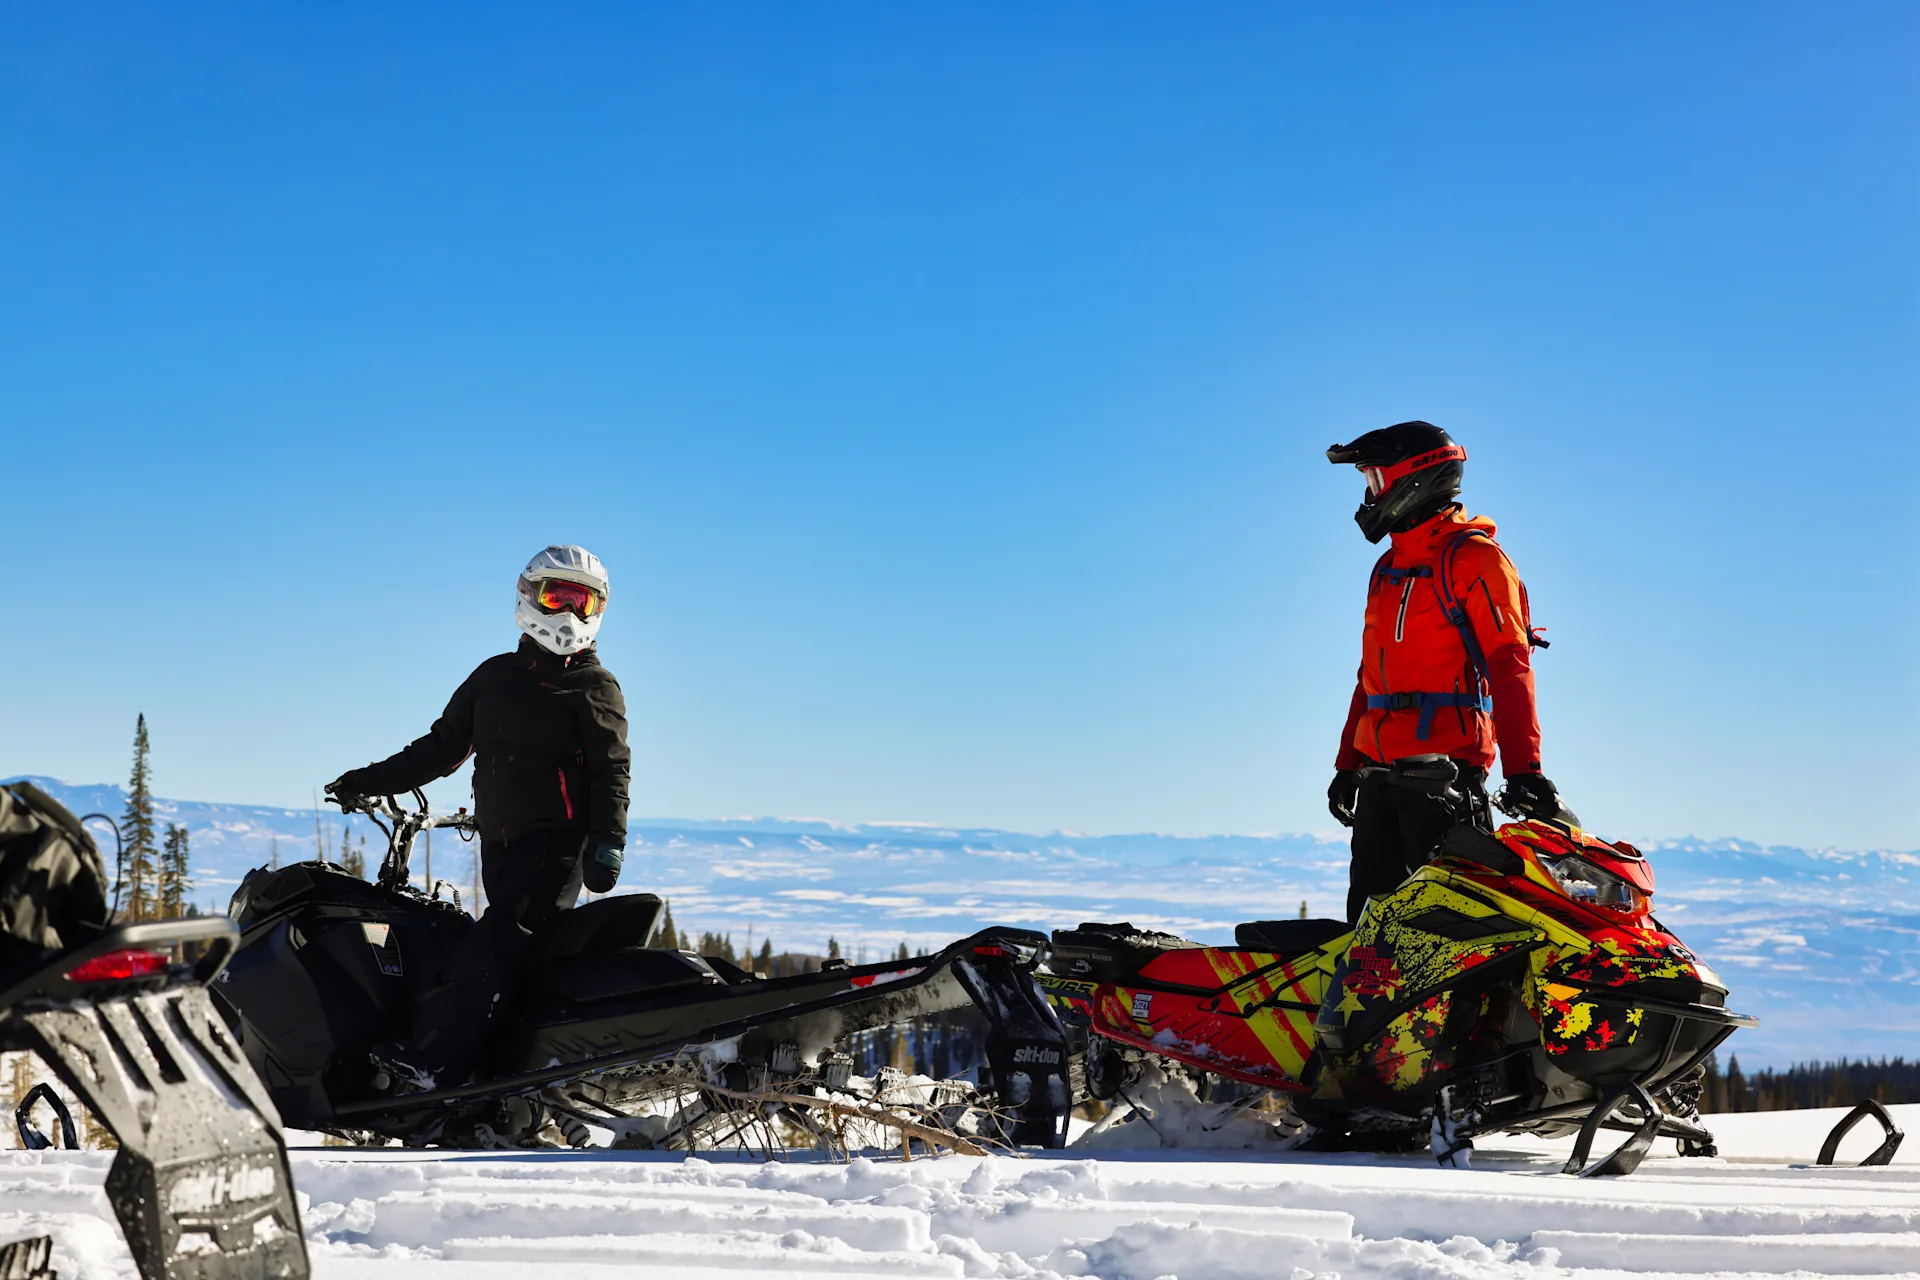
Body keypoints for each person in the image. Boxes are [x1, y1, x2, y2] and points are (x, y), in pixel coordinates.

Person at [326, 544, 630, 1087]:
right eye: (557, 597)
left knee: (493, 943)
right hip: (501, 845)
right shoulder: (493, 678)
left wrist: (608, 841)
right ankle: (505, 1071)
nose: (567, 615)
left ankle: (437, 1069)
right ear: (529, 597)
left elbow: (612, 770)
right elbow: (440, 749)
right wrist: (366, 781)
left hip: (556, 849)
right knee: (492, 950)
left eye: (581, 603)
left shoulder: (593, 686)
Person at [1322, 421, 1572, 922]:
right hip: (1377, 777)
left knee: (1444, 932)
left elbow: (1510, 665)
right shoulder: (1387, 567)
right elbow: (1368, 677)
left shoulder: (1477, 559)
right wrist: (1347, 764)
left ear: (1414, 479)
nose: (1369, 495)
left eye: (1375, 480)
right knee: (1369, 937)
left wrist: (1525, 772)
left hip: (1445, 783)